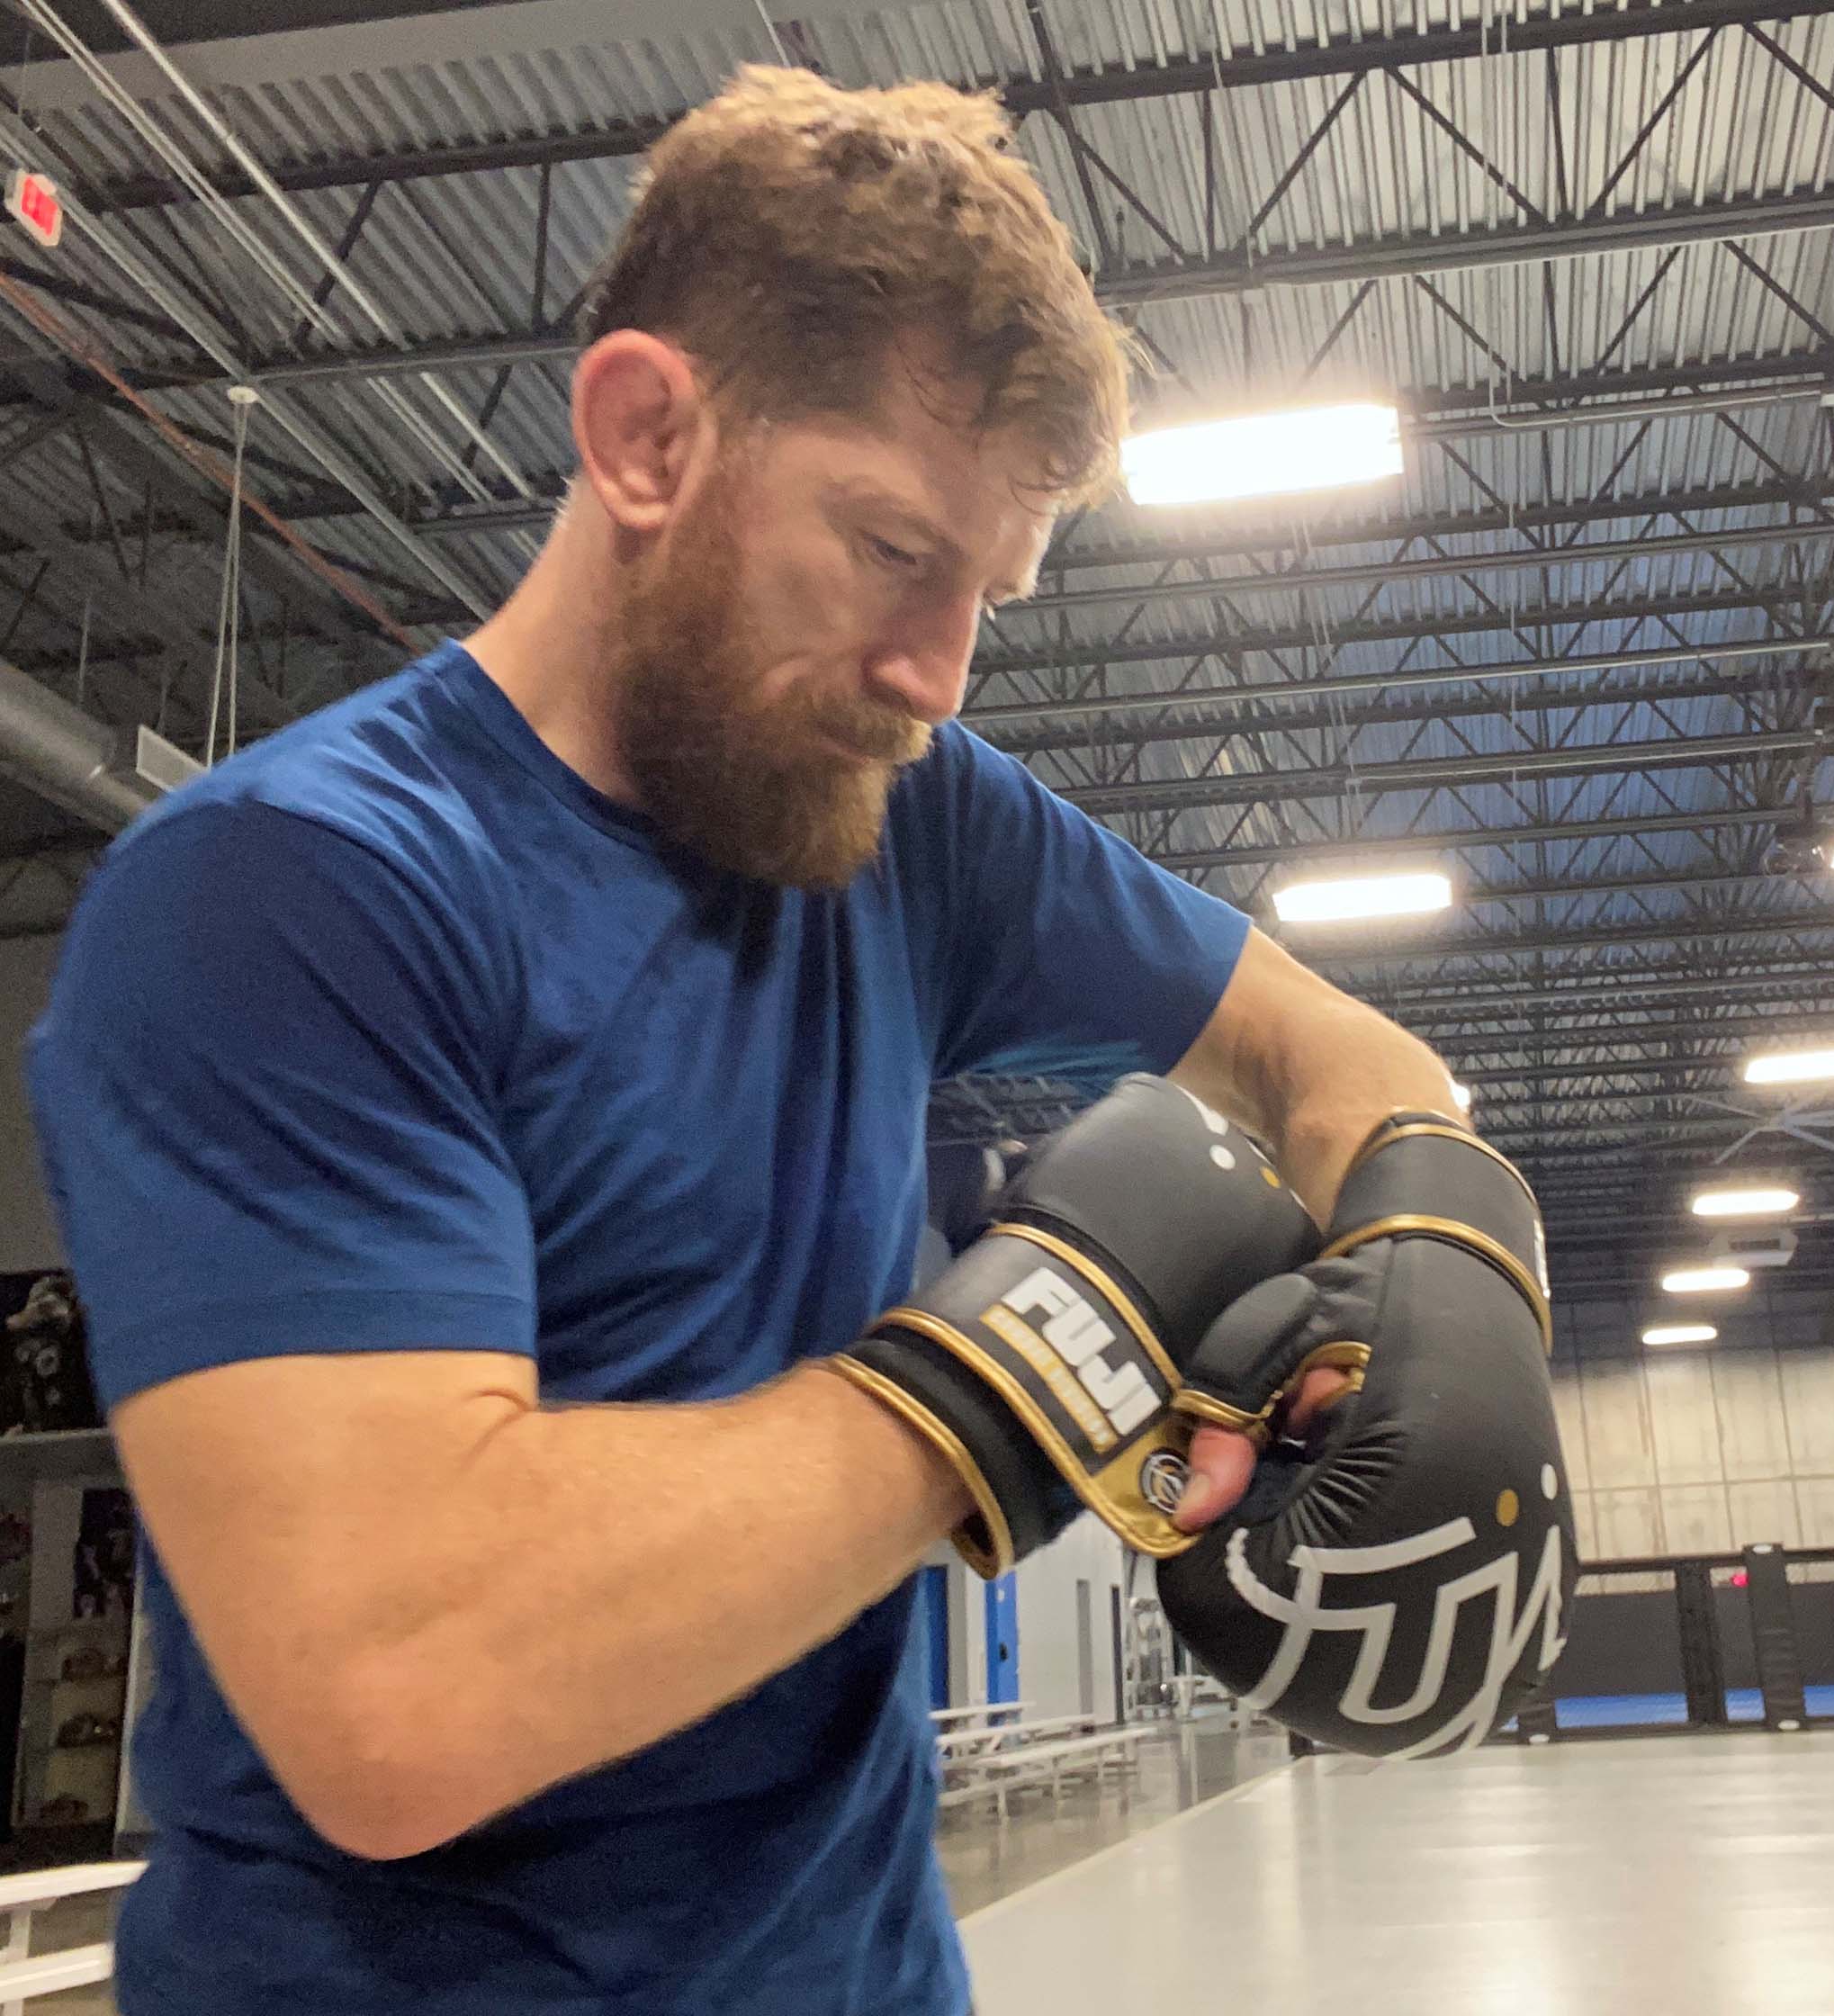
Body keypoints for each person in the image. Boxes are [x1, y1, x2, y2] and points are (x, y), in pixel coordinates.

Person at [25, 67, 1471, 2016]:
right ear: (644, 433)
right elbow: (401, 1687)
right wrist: (1012, 1379)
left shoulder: (908, 820)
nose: (937, 670)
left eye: (989, 593)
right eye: (888, 549)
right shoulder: (289, 893)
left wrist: (1452, 1291)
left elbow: (1339, 1055)